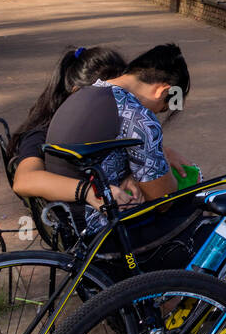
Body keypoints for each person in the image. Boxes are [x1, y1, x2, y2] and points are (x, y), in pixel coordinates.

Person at [43, 43, 193, 228]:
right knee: (193, 207)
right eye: (162, 107)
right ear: (162, 91)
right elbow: (163, 200)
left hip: (60, 216)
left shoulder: (84, 92)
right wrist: (163, 158)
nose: (156, 113)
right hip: (97, 226)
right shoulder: (138, 116)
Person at [9, 46, 132, 206]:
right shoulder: (42, 133)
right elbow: (24, 180)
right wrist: (88, 191)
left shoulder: (103, 122)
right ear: (79, 94)